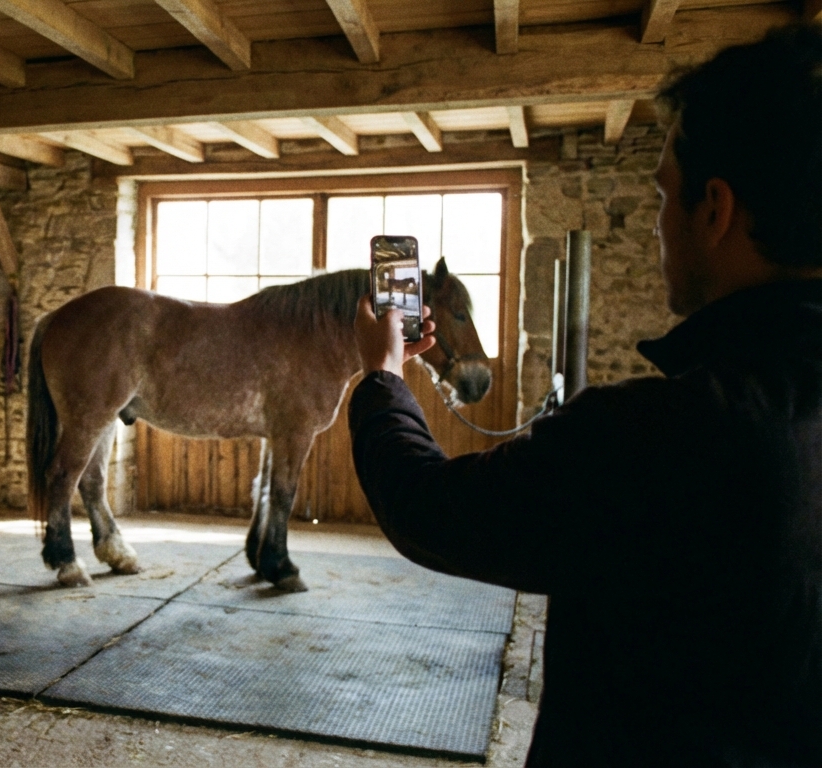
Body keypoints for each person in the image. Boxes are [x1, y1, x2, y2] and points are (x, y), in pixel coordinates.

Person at [348, 24, 822, 767]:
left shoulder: (664, 432)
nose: (657, 223)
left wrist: (383, 375)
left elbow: (428, 509)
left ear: (715, 209)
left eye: (662, 194)